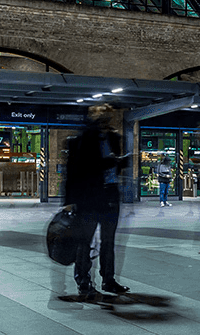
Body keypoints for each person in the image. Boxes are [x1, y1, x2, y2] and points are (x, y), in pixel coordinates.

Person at [64, 104, 130, 300]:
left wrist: (120, 163)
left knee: (108, 242)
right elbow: (76, 170)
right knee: (85, 241)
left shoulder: (113, 138)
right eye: (103, 118)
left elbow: (114, 165)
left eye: (109, 118)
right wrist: (69, 201)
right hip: (90, 197)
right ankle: (83, 280)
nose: (107, 122)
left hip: (110, 194)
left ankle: (108, 280)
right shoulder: (82, 139)